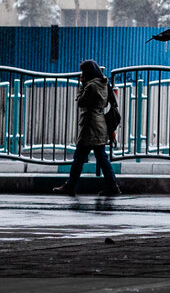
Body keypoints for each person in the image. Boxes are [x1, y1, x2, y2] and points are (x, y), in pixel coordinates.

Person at [52, 60, 122, 196]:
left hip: (90, 126)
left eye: (83, 72)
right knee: (101, 157)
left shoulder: (90, 86)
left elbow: (81, 102)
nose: (82, 75)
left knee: (79, 158)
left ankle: (71, 186)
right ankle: (112, 186)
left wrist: (82, 85)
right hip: (100, 124)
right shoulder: (103, 84)